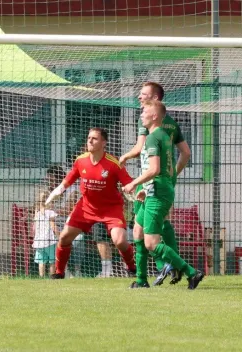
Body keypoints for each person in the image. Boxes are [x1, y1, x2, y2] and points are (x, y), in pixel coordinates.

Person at [123, 100, 204, 289]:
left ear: (154, 116)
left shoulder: (152, 138)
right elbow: (166, 169)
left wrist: (134, 183)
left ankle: (192, 272)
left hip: (158, 193)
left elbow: (155, 169)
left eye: (144, 112)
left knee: (151, 243)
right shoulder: (163, 135)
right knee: (138, 232)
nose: (141, 114)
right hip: (157, 189)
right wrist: (147, 187)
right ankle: (141, 280)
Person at [46, 128, 137, 279]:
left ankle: (132, 268)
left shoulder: (114, 164)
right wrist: (59, 189)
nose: (90, 141)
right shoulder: (81, 160)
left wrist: (135, 191)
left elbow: (128, 183)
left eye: (94, 138)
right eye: (89, 138)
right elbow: (70, 178)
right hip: (86, 207)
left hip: (110, 209)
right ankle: (59, 272)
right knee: (64, 238)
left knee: (120, 241)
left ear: (103, 143)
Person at [32, 191, 58, 277]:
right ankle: (52, 276)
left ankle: (41, 277)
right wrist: (59, 235)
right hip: (49, 241)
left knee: (41, 261)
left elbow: (34, 228)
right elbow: (53, 226)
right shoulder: (50, 212)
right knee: (52, 260)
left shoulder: (37, 213)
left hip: (39, 241)